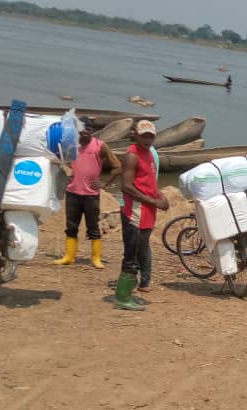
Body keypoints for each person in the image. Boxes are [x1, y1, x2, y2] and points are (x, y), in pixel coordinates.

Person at [113, 120, 169, 311]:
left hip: (147, 212)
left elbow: (147, 182)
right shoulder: (132, 155)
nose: (147, 139)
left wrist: (159, 195)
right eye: (144, 135)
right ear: (135, 135)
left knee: (139, 252)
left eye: (150, 136)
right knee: (131, 254)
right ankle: (122, 296)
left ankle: (128, 292)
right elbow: (126, 187)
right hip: (135, 211)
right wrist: (154, 202)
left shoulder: (149, 154)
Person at [53, 118, 121, 269]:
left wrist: (105, 184)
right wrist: (67, 173)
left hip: (91, 194)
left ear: (92, 130)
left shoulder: (100, 146)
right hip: (72, 193)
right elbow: (60, 159)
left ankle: (96, 258)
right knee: (71, 226)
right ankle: (69, 256)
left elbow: (117, 166)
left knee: (93, 227)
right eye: (81, 129)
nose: (84, 132)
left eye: (88, 129)